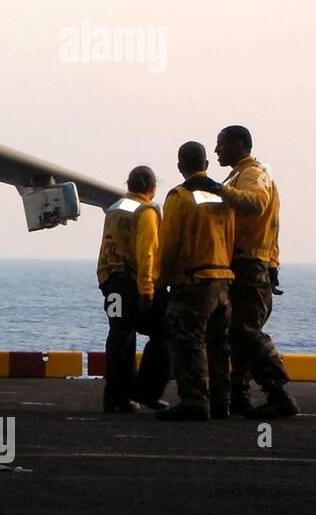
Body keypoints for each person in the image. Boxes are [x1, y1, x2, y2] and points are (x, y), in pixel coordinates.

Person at [184, 126, 297, 419]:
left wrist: (220, 190)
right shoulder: (238, 175)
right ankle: (240, 396)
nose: (217, 150)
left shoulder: (253, 174)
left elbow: (256, 204)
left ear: (238, 144)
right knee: (235, 333)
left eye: (221, 144)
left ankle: (278, 393)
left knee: (245, 331)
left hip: (250, 265)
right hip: (242, 264)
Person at [157, 142, 235, 421]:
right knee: (218, 344)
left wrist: (160, 279)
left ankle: (194, 400)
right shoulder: (224, 196)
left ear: (180, 167)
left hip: (192, 281)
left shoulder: (179, 196)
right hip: (223, 279)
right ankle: (220, 402)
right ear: (206, 164)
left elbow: (169, 243)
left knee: (187, 341)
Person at [95, 166, 171, 412]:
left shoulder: (115, 208)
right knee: (166, 331)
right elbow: (146, 252)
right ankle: (147, 391)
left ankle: (116, 397)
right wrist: (147, 289)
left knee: (119, 336)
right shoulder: (145, 211)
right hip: (132, 283)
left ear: (128, 184)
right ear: (152, 188)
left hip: (110, 281)